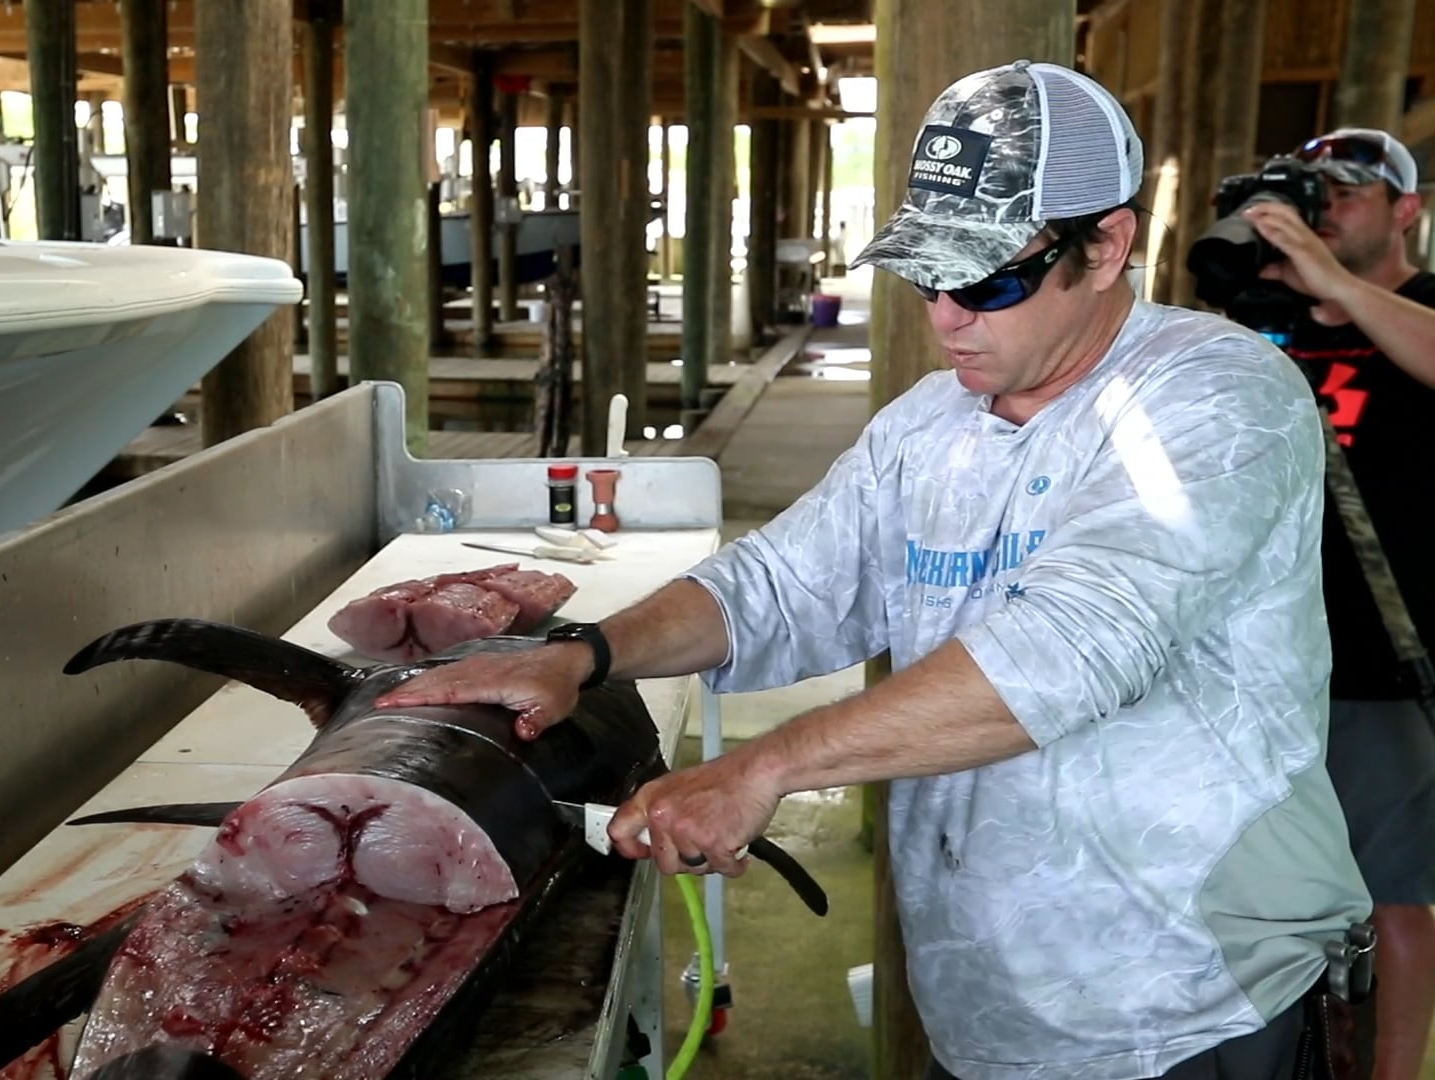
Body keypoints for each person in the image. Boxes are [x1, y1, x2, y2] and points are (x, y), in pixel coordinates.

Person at [375, 60, 1374, 1079]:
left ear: (1107, 245)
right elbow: (777, 583)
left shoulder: (1216, 398)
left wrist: (762, 766)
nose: (946, 317)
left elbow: (1071, 648)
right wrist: (583, 654)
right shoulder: (928, 425)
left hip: (1189, 1000)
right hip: (992, 1005)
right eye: (928, 277)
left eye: (986, 280)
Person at [1240, 126, 1435, 1080]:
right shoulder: (1271, 315)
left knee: (1391, 888)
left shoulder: (1420, 306)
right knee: (1266, 883)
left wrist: (1335, 283)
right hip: (1265, 656)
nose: (1323, 209)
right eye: (1310, 193)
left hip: (1381, 655)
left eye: (1346, 192)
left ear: (1407, 210)